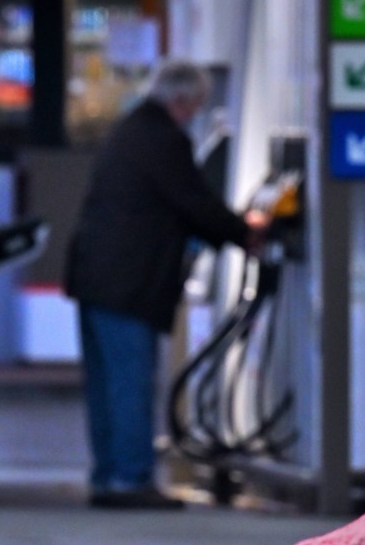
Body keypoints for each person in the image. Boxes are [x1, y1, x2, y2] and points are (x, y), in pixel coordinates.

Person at [64, 59, 262, 510]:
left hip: (97, 277)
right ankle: (130, 480)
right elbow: (193, 201)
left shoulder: (130, 130)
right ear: (182, 99)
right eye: (196, 102)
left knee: (106, 385)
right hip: (127, 283)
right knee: (130, 382)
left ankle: (109, 476)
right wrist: (244, 233)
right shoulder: (163, 140)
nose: (196, 111)